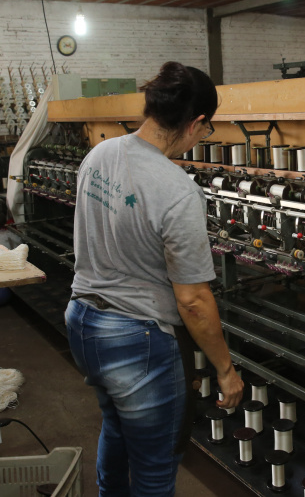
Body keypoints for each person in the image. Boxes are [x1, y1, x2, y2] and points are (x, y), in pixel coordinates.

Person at [65, 61, 244, 497]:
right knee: (155, 467)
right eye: (207, 130)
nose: (202, 139)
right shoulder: (177, 190)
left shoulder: (100, 154)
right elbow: (194, 301)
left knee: (116, 427)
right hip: (136, 341)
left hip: (82, 322)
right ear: (196, 123)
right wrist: (225, 369)